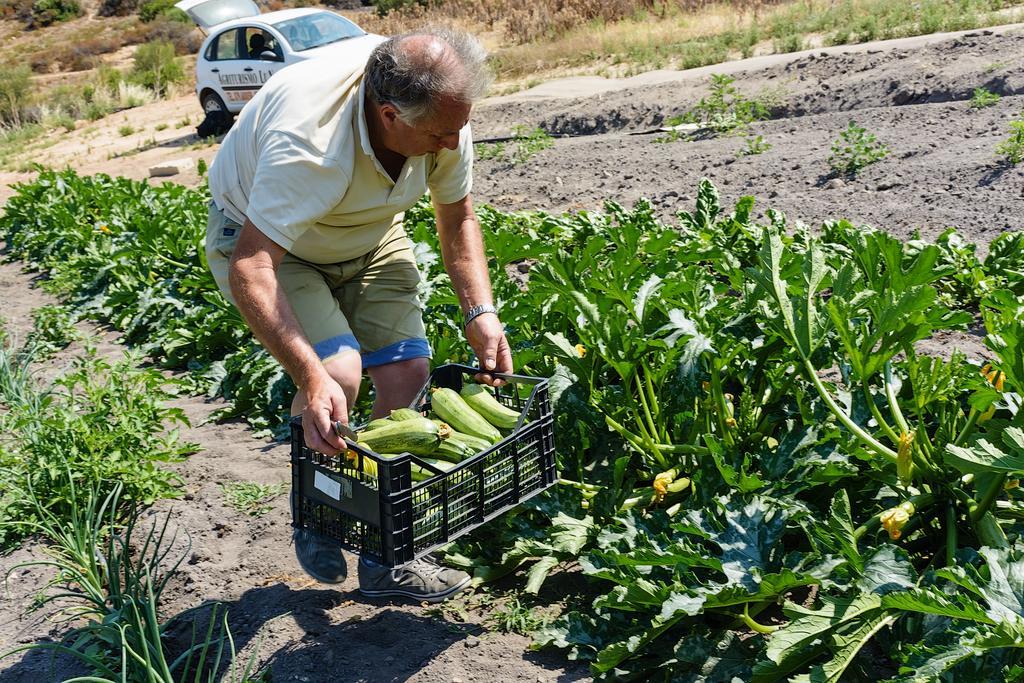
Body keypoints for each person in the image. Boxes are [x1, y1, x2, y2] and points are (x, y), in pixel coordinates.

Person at [204, 28, 512, 603]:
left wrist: (481, 312)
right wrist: (312, 375)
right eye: (442, 131)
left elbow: (458, 217)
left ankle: (386, 554)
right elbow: (252, 267)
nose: (456, 139)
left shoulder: (444, 117)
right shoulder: (310, 146)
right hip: (274, 246)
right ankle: (316, 504)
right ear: (389, 113)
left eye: (460, 123)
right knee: (337, 374)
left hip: (369, 233)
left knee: (408, 374)